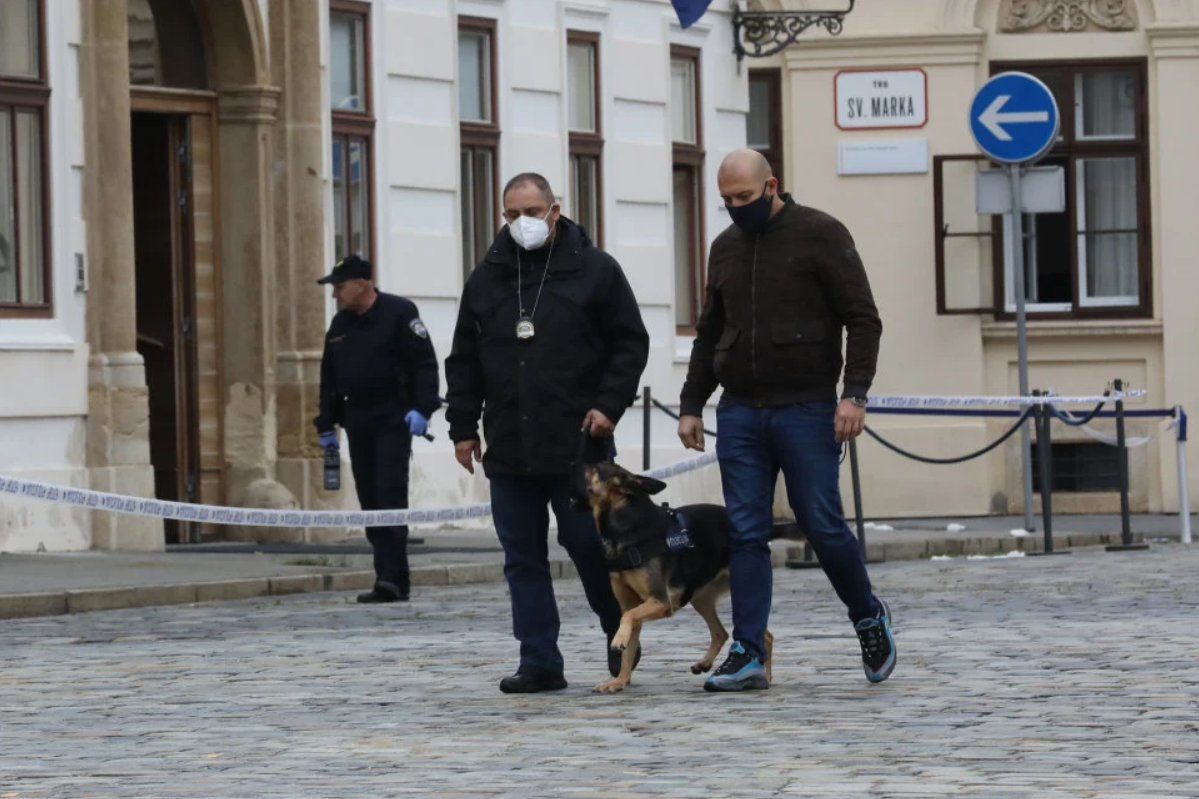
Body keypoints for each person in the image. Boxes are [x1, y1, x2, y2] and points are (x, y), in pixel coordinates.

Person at [677, 149, 895, 691]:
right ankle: (748, 650)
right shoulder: (724, 247)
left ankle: (867, 616)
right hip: (741, 410)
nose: (734, 208)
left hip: (808, 406)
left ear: (772, 185)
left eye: (744, 197)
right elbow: (709, 332)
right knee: (746, 530)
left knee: (819, 522)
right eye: (726, 200)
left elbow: (863, 319)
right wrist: (690, 403)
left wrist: (855, 395)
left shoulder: (821, 233)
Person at [445, 172, 650, 694]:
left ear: (554, 211)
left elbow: (630, 343)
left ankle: (619, 635)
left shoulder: (596, 270)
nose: (522, 224)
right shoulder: (487, 277)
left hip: (578, 444)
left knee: (588, 546)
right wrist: (463, 427)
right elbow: (464, 359)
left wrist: (609, 406)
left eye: (532, 213)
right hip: (510, 445)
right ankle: (539, 658)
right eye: (512, 215)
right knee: (522, 557)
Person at [314, 254, 441, 604]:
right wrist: (325, 424)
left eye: (340, 287)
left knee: (389, 495)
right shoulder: (340, 325)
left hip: (393, 417)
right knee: (370, 498)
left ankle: (394, 577)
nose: (335, 294)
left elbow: (424, 365)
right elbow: (330, 378)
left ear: (362, 284)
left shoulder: (399, 313)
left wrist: (422, 408)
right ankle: (384, 574)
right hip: (358, 419)